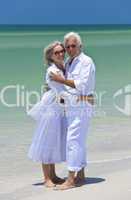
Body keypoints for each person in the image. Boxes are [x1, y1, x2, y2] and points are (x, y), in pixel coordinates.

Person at [51, 32, 96, 190]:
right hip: (73, 106)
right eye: (67, 46)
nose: (70, 49)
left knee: (73, 140)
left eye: (73, 46)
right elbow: (68, 88)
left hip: (81, 106)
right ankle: (81, 174)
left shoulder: (86, 61)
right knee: (79, 140)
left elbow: (82, 86)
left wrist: (61, 80)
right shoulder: (70, 62)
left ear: (80, 46)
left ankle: (70, 180)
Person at [28, 41, 67, 188]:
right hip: (51, 109)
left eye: (62, 51)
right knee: (47, 141)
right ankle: (46, 178)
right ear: (51, 56)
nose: (61, 54)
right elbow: (62, 87)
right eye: (56, 52)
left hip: (59, 108)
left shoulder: (62, 67)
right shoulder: (53, 70)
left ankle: (54, 175)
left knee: (55, 141)